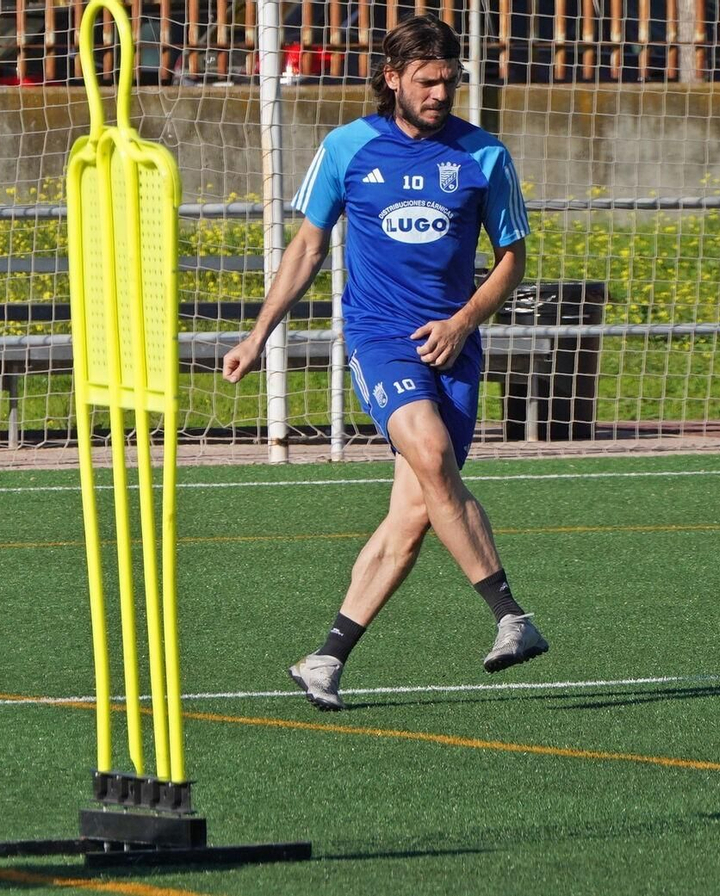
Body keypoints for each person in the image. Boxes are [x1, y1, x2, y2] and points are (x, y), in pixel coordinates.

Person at [222, 14, 547, 711]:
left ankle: (325, 659)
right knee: (430, 455)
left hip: (453, 346)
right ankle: (509, 614)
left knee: (412, 517)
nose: (440, 94)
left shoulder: (484, 156)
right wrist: (258, 335)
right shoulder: (347, 148)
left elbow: (513, 260)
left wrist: (463, 322)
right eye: (426, 82)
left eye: (449, 82)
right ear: (391, 78)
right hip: (379, 339)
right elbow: (307, 249)